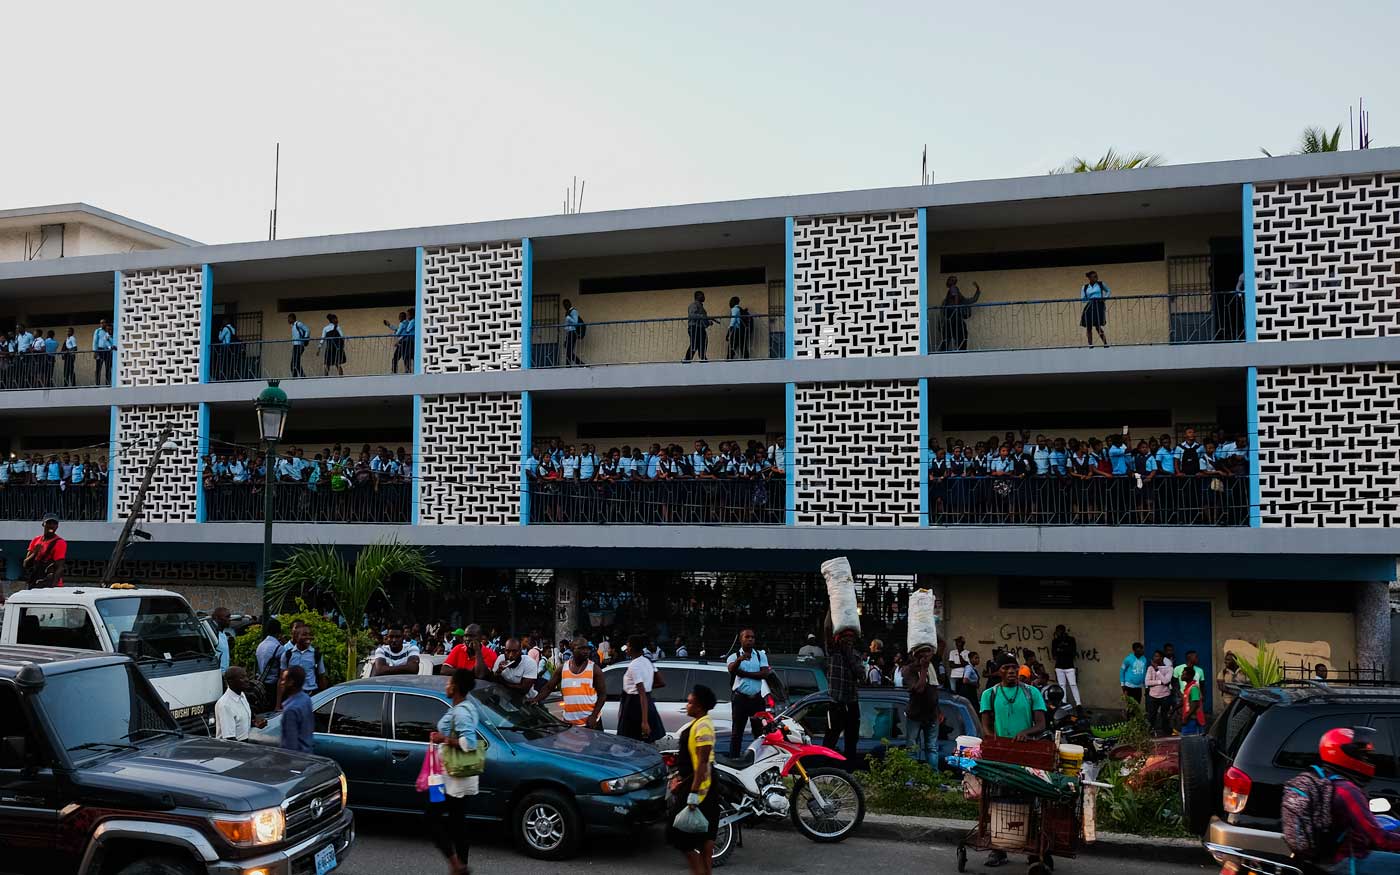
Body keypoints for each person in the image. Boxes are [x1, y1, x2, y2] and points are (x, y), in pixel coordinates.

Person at [978, 655, 1049, 868]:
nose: (1011, 671)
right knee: (998, 799)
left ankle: (1034, 851)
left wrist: (1026, 733)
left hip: (1027, 755)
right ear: (998, 671)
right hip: (1001, 756)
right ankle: (998, 850)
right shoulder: (989, 695)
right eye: (1006, 667)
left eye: (1014, 667)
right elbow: (986, 726)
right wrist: (994, 742)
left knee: (1032, 801)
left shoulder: (1031, 692)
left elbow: (1041, 724)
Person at [1309, 727, 1400, 872]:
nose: (1368, 760)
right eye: (1364, 756)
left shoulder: (1324, 779)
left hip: (1324, 857)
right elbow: (1380, 839)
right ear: (1347, 755)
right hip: (1345, 859)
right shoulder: (1347, 790)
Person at [428, 668, 483, 875]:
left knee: (432, 818)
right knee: (457, 820)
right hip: (449, 774)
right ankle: (460, 865)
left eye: (449, 682)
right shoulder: (465, 706)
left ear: (456, 687)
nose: (446, 685)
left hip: (450, 777)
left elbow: (469, 743)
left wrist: (443, 739)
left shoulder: (461, 711)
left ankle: (455, 864)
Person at [667, 685, 719, 875]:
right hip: (698, 784)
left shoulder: (703, 726)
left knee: (682, 838)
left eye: (690, 702)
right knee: (704, 844)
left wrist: (693, 794)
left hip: (701, 789)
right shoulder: (700, 722)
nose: (686, 705)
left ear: (699, 706)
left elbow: (702, 764)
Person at [530, 636, 606, 728]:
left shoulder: (595, 669)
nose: (586, 651)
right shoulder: (562, 668)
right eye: (581, 648)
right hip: (570, 725)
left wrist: (594, 716)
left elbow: (602, 695)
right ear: (572, 649)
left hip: (591, 723)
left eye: (587, 648)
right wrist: (536, 699)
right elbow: (549, 687)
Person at [726, 628, 773, 757]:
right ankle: (734, 759)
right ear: (741, 639)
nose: (750, 639)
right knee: (737, 733)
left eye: (752, 637)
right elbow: (732, 669)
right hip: (740, 699)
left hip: (757, 699)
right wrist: (740, 660)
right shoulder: (733, 656)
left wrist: (744, 674)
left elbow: (764, 673)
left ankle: (759, 758)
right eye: (747, 637)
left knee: (759, 732)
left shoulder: (760, 655)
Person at [823, 629, 863, 762]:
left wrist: (849, 654)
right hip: (836, 703)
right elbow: (827, 632)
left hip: (851, 702)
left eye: (851, 637)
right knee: (830, 739)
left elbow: (860, 674)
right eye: (845, 637)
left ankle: (848, 771)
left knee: (851, 741)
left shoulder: (855, 655)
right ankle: (825, 770)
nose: (848, 640)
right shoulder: (833, 653)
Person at [619, 634, 664, 742]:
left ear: (633, 648)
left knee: (630, 741)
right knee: (644, 742)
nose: (626, 649)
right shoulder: (648, 661)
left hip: (635, 704)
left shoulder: (635, 665)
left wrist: (644, 722)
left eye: (628, 646)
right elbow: (661, 682)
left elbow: (641, 693)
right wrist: (648, 684)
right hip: (646, 702)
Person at [902, 645, 941, 767]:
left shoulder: (932, 667)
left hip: (931, 714)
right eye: (926, 653)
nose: (929, 656)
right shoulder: (910, 670)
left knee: (932, 748)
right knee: (912, 748)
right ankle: (910, 779)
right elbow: (919, 689)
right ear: (919, 655)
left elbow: (934, 691)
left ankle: (934, 779)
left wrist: (938, 710)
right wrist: (924, 669)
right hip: (916, 714)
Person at [277, 624, 327, 707]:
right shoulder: (287, 655)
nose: (308, 637)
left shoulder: (316, 654)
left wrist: (324, 700)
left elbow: (322, 677)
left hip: (311, 697)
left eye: (310, 634)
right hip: (292, 698)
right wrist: (278, 705)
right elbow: (282, 680)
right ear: (296, 637)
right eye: (304, 634)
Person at [215, 666, 265, 741]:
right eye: (242, 678)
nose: (247, 680)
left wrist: (254, 724)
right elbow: (229, 739)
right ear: (231, 681)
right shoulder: (225, 705)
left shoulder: (242, 695)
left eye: (246, 676)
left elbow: (239, 723)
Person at [23, 513, 67, 587]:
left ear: (57, 526)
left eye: (54, 523)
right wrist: (35, 553)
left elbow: (60, 567)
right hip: (35, 582)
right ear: (43, 524)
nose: (52, 526)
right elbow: (26, 565)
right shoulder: (36, 540)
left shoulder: (60, 543)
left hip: (49, 583)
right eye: (49, 523)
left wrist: (53, 586)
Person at [278, 666, 314, 753]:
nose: (281, 683)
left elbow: (291, 745)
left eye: (284, 680)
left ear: (291, 682)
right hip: (307, 753)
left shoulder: (291, 710)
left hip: (296, 759)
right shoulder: (306, 699)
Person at [940, 276, 982, 351]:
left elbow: (955, 295)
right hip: (955, 320)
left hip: (952, 319)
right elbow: (972, 300)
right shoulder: (958, 297)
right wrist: (978, 290)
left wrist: (955, 307)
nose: (948, 281)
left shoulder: (953, 289)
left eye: (951, 280)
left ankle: (946, 352)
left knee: (947, 339)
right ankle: (961, 352)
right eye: (949, 280)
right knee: (959, 338)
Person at [1048, 625, 1080, 706]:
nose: (1057, 633)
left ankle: (1078, 704)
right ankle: (1064, 702)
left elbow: (1072, 652)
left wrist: (1061, 650)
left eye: (1059, 631)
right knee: (1062, 686)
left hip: (1069, 666)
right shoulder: (1055, 641)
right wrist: (1064, 650)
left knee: (1073, 685)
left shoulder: (1070, 640)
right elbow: (1054, 654)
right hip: (1059, 666)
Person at [255, 618, 284, 705]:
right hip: (273, 686)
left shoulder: (260, 645)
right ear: (279, 631)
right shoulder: (279, 648)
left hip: (261, 684)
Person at [1144, 650, 1173, 736]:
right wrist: (1160, 682)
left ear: (1162, 658)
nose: (1155, 658)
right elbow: (1147, 682)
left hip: (1165, 696)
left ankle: (1166, 734)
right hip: (1153, 696)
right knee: (1151, 716)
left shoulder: (1169, 668)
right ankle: (1150, 733)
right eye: (1154, 656)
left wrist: (1157, 670)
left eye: (1157, 656)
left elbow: (1167, 681)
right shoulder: (1150, 668)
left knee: (1165, 717)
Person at [1080, 270, 1110, 347]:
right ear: (1090, 278)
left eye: (1097, 276)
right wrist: (1089, 299)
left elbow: (1108, 290)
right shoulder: (1085, 287)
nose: (1097, 277)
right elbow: (1083, 299)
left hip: (1099, 305)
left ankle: (1105, 343)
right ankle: (1090, 345)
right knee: (1089, 326)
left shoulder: (1101, 284)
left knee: (1097, 326)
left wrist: (1104, 298)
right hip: (1090, 306)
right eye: (1094, 276)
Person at [683, 290, 714, 363]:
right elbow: (692, 315)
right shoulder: (694, 305)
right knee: (695, 344)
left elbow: (704, 321)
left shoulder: (701, 307)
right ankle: (687, 360)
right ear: (697, 296)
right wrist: (703, 317)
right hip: (694, 328)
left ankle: (703, 358)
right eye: (702, 295)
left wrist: (708, 322)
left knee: (703, 343)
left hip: (701, 328)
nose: (704, 297)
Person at [1180, 665, 1206, 736]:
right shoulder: (1188, 688)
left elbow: (1195, 704)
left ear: (1189, 676)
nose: (1181, 675)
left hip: (1193, 719)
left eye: (1183, 674)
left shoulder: (1193, 688)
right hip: (1189, 718)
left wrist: (1186, 717)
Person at [1119, 642, 1147, 709]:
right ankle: (1129, 719)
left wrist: (1146, 686)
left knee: (1137, 706)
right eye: (1139, 651)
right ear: (1134, 651)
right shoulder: (1128, 659)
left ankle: (1136, 719)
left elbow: (1144, 673)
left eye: (1142, 650)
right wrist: (1122, 685)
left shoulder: (1144, 659)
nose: (1141, 652)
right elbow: (1122, 671)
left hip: (1139, 687)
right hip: (1129, 686)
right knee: (1130, 707)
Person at [562, 298, 584, 366]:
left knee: (569, 352)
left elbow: (575, 323)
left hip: (573, 333)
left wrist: (568, 318)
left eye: (566, 305)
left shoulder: (573, 311)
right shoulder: (568, 312)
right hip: (569, 333)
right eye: (564, 305)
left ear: (569, 304)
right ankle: (576, 365)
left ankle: (579, 364)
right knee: (568, 351)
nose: (565, 306)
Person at [287, 313, 310, 378]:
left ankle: (299, 376)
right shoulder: (293, 326)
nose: (288, 320)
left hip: (299, 346)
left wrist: (305, 338)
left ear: (292, 318)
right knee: (294, 363)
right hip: (295, 346)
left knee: (295, 362)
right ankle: (298, 376)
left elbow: (307, 329)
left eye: (289, 319)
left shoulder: (298, 324)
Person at [93, 319, 115, 385]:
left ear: (106, 323)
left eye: (103, 323)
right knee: (98, 368)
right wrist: (95, 351)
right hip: (100, 350)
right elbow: (95, 341)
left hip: (108, 351)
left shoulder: (109, 330)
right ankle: (97, 384)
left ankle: (108, 383)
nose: (102, 324)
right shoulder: (98, 331)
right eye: (101, 323)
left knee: (108, 368)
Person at [210, 606, 232, 672]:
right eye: (227, 617)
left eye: (230, 617)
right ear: (217, 618)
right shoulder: (212, 634)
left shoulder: (223, 634)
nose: (230, 619)